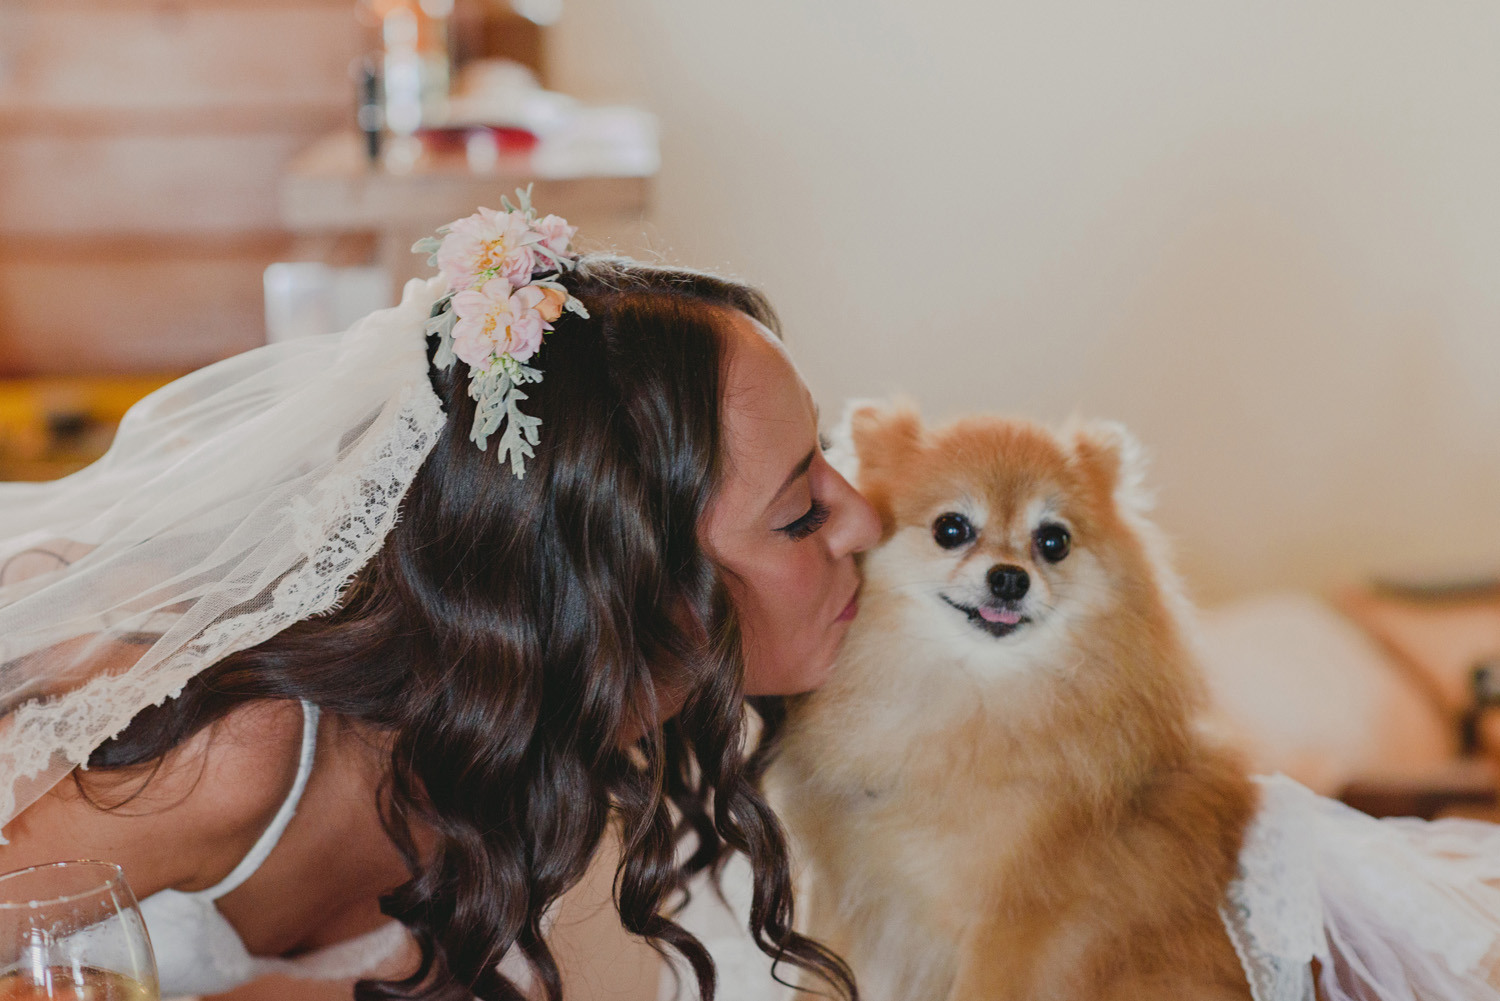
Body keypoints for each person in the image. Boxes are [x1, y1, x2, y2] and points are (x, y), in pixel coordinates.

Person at [0, 199, 880, 1001]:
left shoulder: (531, 745)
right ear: (620, 582)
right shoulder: (231, 744)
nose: (867, 520)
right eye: (802, 513)